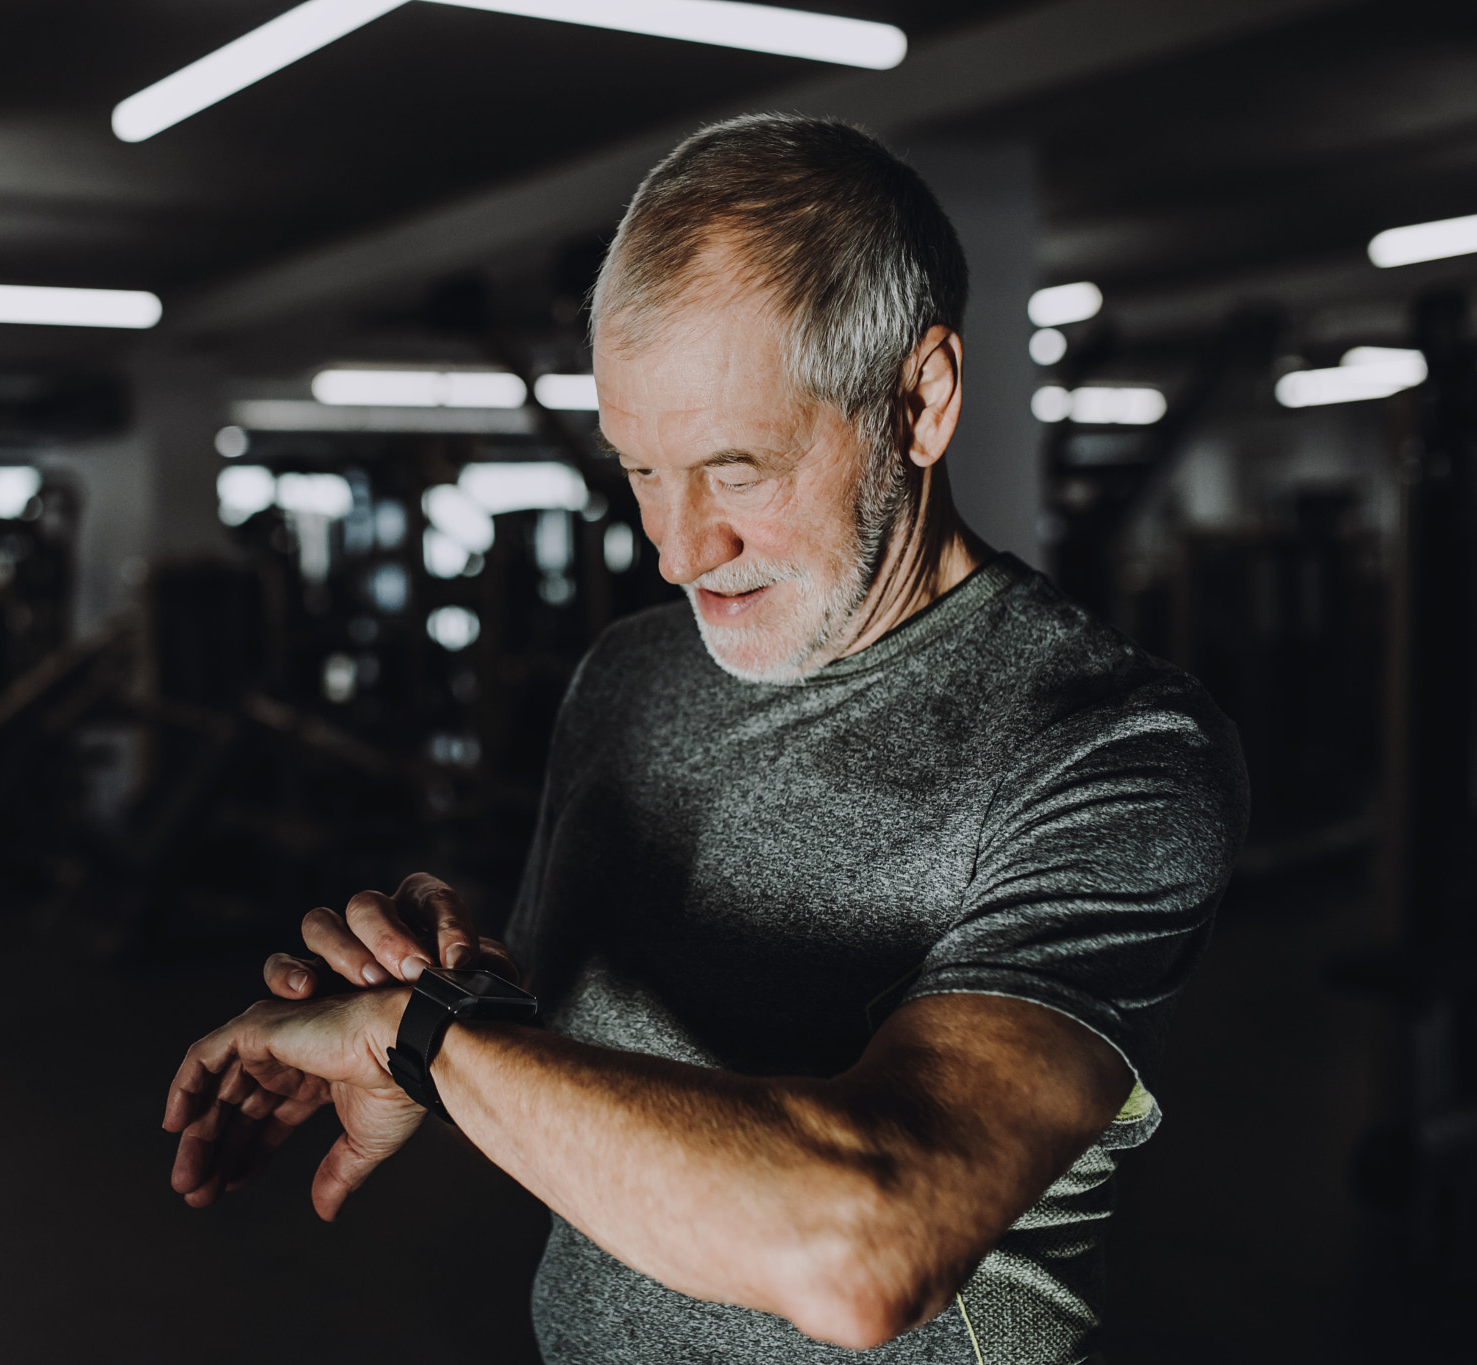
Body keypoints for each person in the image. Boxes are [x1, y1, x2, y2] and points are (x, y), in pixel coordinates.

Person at [162, 114, 1248, 1364]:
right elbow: (577, 1070)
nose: (677, 551)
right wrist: (446, 1007)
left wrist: (433, 1042)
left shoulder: (1110, 749)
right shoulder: (625, 674)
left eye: (734, 472)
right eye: (640, 470)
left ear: (920, 399)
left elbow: (864, 1248)